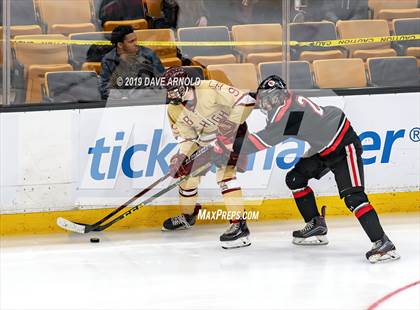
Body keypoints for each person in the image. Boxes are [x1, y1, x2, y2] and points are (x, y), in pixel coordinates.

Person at [231, 75, 400, 263]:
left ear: (278, 97)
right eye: (264, 100)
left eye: (268, 100)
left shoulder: (289, 115)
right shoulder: (286, 100)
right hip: (322, 147)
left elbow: (258, 142)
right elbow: (259, 98)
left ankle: (383, 244)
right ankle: (315, 224)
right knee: (295, 179)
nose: (265, 104)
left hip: (342, 145)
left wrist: (225, 144)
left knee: (354, 197)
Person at [161, 67, 256, 249]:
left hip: (233, 135)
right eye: (167, 88)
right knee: (187, 179)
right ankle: (187, 217)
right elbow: (188, 138)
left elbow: (246, 100)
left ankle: (240, 227)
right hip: (205, 141)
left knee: (225, 176)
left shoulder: (209, 88)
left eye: (172, 87)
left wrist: (229, 127)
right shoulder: (173, 109)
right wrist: (183, 156)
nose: (169, 92)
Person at [99, 25, 165, 100]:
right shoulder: (108, 60)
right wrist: (122, 97)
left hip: (146, 100)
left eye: (135, 40)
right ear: (120, 45)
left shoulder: (149, 55)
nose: (136, 43)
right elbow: (104, 88)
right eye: (131, 41)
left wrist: (136, 96)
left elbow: (161, 81)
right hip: (120, 103)